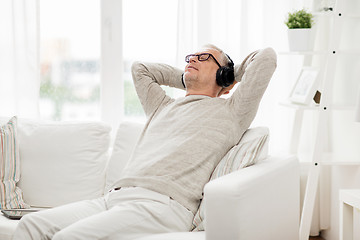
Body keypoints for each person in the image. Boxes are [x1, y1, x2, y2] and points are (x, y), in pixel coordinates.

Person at [12, 44, 276, 240]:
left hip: (162, 205)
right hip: (113, 198)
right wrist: (187, 78)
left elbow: (266, 58)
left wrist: (230, 74)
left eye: (205, 56)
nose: (193, 58)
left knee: (66, 238)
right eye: (190, 57)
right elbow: (141, 69)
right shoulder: (162, 106)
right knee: (29, 227)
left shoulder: (232, 112)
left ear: (225, 78)